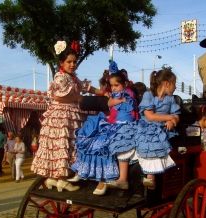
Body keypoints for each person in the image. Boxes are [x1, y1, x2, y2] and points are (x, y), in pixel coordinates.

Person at [31, 40, 93, 192]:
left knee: (63, 146)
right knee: (63, 145)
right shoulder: (61, 77)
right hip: (62, 116)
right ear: (62, 62)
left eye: (74, 62)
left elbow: (86, 87)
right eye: (69, 62)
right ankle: (62, 179)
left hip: (67, 114)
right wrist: (78, 98)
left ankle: (54, 178)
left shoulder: (72, 77)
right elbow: (58, 96)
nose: (73, 64)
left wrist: (102, 93)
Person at [72, 63, 139, 195]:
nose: (114, 88)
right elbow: (109, 104)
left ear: (125, 84)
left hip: (124, 126)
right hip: (112, 124)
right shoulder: (115, 95)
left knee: (104, 143)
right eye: (112, 86)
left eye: (116, 85)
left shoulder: (128, 94)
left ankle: (104, 178)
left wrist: (115, 101)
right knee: (91, 139)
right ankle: (84, 171)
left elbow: (124, 110)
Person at [113, 68, 180, 189]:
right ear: (166, 83)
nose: (175, 87)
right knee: (124, 136)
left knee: (151, 139)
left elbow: (176, 116)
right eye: (174, 84)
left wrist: (173, 121)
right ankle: (123, 178)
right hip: (143, 125)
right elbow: (149, 116)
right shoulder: (148, 94)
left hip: (159, 128)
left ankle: (151, 178)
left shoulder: (171, 99)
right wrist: (170, 117)